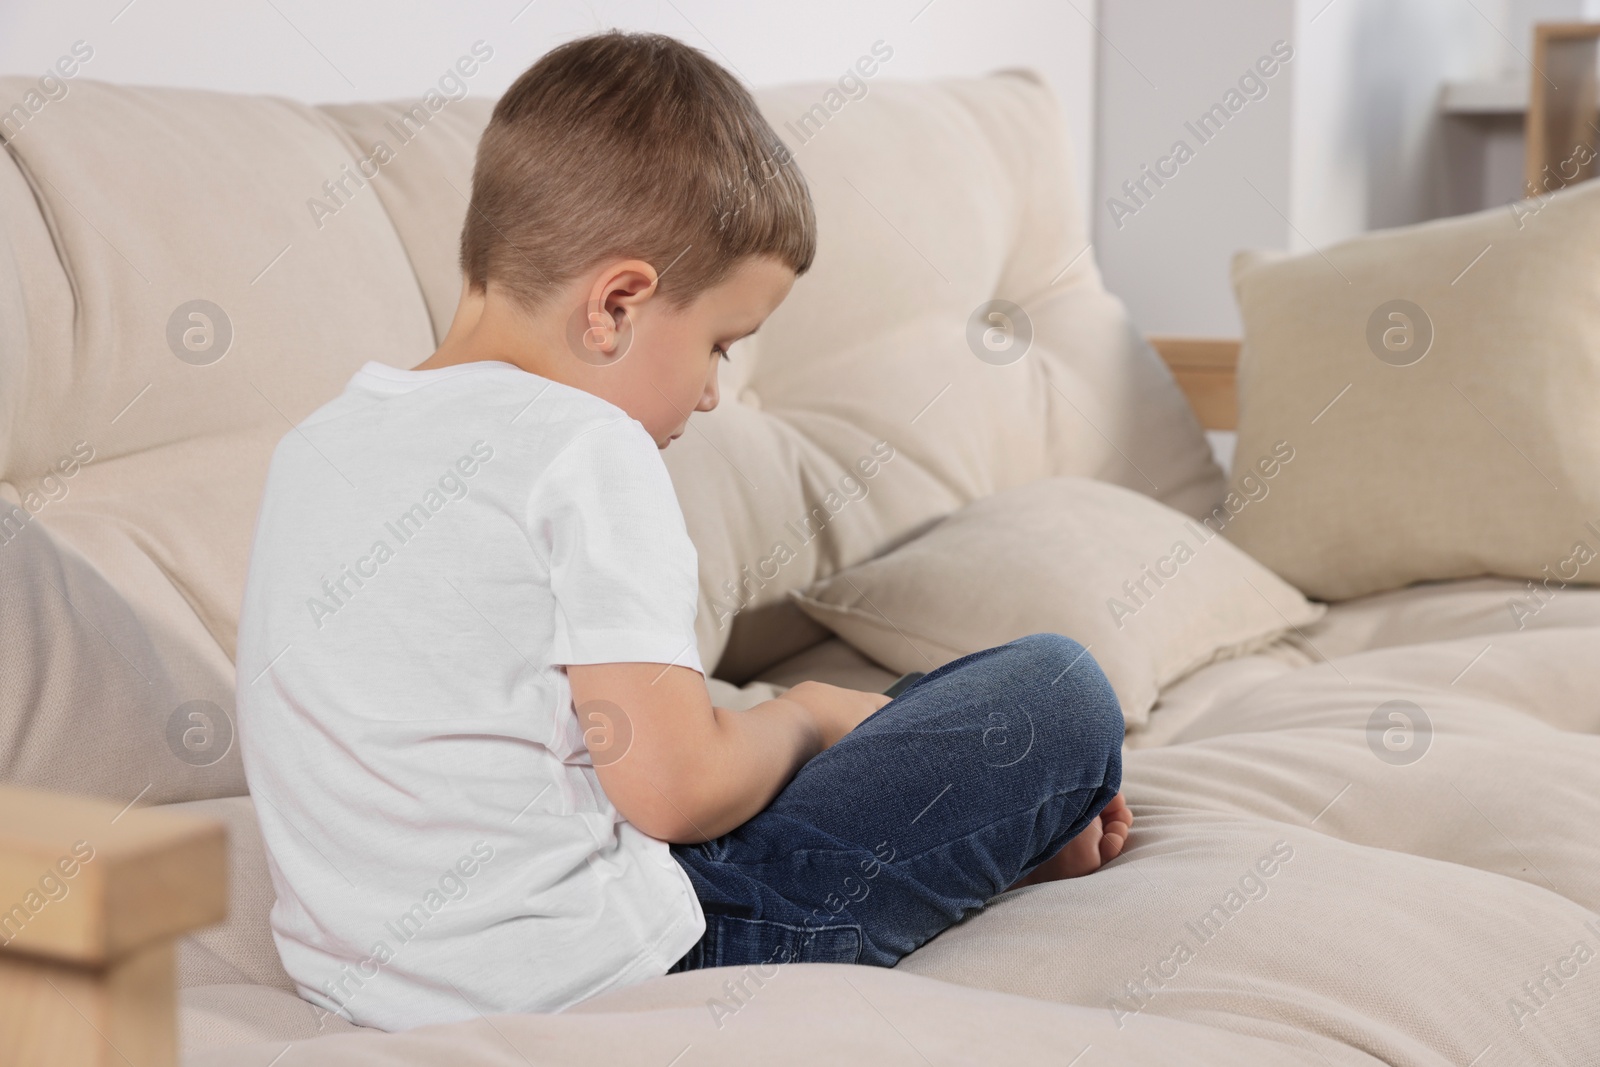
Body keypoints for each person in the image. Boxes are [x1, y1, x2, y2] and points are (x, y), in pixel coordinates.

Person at [235, 29, 1130, 1033]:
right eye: (719, 345)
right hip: (634, 962)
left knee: (905, 712)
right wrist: (796, 715)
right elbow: (675, 790)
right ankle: (1003, 819)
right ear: (617, 303)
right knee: (1056, 688)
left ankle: (976, 805)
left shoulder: (319, 443)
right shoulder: (584, 446)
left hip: (355, 975)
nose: (711, 394)